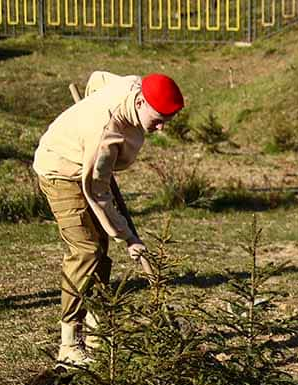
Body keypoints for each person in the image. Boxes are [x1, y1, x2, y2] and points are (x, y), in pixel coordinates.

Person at [33, 71, 184, 366]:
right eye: (159, 118)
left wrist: (90, 103)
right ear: (140, 102)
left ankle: (94, 329)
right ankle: (69, 343)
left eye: (168, 119)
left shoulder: (132, 85)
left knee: (100, 250)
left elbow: (98, 78)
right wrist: (127, 236)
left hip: (89, 165)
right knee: (87, 250)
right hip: (61, 170)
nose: (162, 127)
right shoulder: (106, 133)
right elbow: (96, 191)